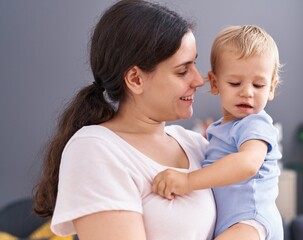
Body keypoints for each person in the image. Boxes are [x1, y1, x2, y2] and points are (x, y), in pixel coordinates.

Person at [32, 0, 216, 239]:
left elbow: (254, 211)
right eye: (182, 70)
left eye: (194, 64)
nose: (199, 80)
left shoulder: (197, 145)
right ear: (135, 79)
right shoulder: (95, 150)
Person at [153, 25, 284, 240]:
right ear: (214, 83)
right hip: (231, 223)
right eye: (235, 83)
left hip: (251, 221)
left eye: (259, 85)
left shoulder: (255, 123)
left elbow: (248, 164)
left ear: (271, 88)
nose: (247, 92)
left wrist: (188, 181)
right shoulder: (218, 129)